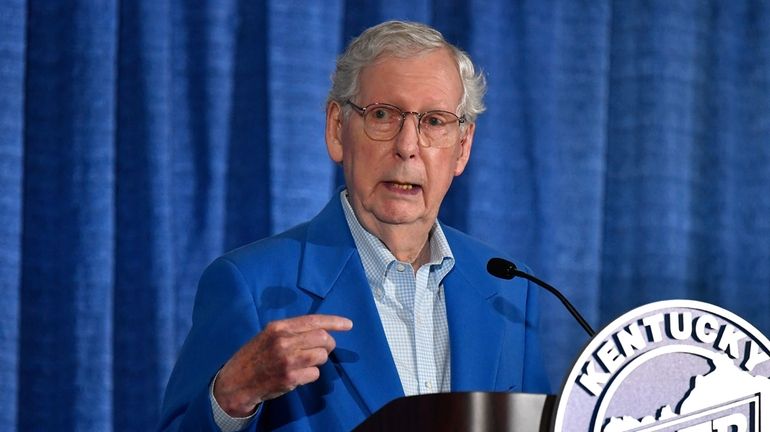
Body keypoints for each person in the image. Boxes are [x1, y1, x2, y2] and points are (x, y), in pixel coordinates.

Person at [158, 20, 551, 432]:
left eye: (434, 122)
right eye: (383, 115)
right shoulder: (250, 286)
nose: (407, 146)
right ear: (337, 130)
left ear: (463, 147)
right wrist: (233, 397)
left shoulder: (510, 288)